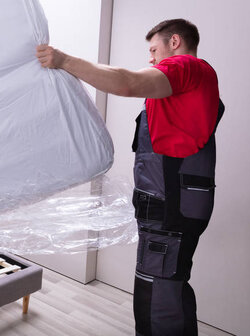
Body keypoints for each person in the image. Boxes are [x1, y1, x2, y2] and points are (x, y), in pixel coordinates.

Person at [36, 19, 223, 336]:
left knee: (157, 296)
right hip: (173, 203)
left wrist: (63, 61)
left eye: (154, 49)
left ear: (174, 42)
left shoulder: (186, 67)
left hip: (171, 206)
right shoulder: (191, 85)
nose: (151, 59)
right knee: (171, 284)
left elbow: (127, 82)